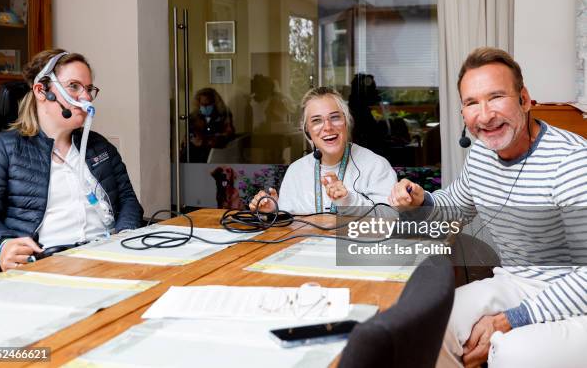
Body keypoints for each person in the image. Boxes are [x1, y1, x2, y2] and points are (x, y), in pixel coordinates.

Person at [388, 47, 587, 367]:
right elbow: (453, 209)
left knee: (512, 352)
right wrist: (420, 200)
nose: (485, 114)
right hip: (517, 282)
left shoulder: (572, 162)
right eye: (471, 103)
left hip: (578, 297)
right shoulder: (481, 156)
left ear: (524, 99)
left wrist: (513, 319)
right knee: (427, 324)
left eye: (496, 97)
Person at [0, 49, 143, 279]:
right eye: (74, 86)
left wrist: (125, 235)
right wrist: (2, 246)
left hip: (107, 262)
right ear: (41, 90)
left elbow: (128, 201)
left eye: (89, 89)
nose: (86, 98)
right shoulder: (1, 150)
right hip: (43, 269)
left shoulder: (99, 147)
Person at [249, 86, 397, 214]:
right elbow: (289, 226)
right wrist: (276, 212)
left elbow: (391, 218)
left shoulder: (376, 165)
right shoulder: (295, 171)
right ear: (307, 131)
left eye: (335, 117)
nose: (327, 127)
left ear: (346, 122)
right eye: (316, 120)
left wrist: (348, 200)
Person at [184, 87, 235, 162]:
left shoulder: (223, 115)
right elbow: (189, 134)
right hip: (193, 154)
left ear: (214, 103)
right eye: (202, 104)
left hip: (215, 154)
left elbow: (228, 135)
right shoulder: (193, 117)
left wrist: (206, 141)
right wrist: (191, 138)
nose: (205, 107)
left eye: (208, 104)